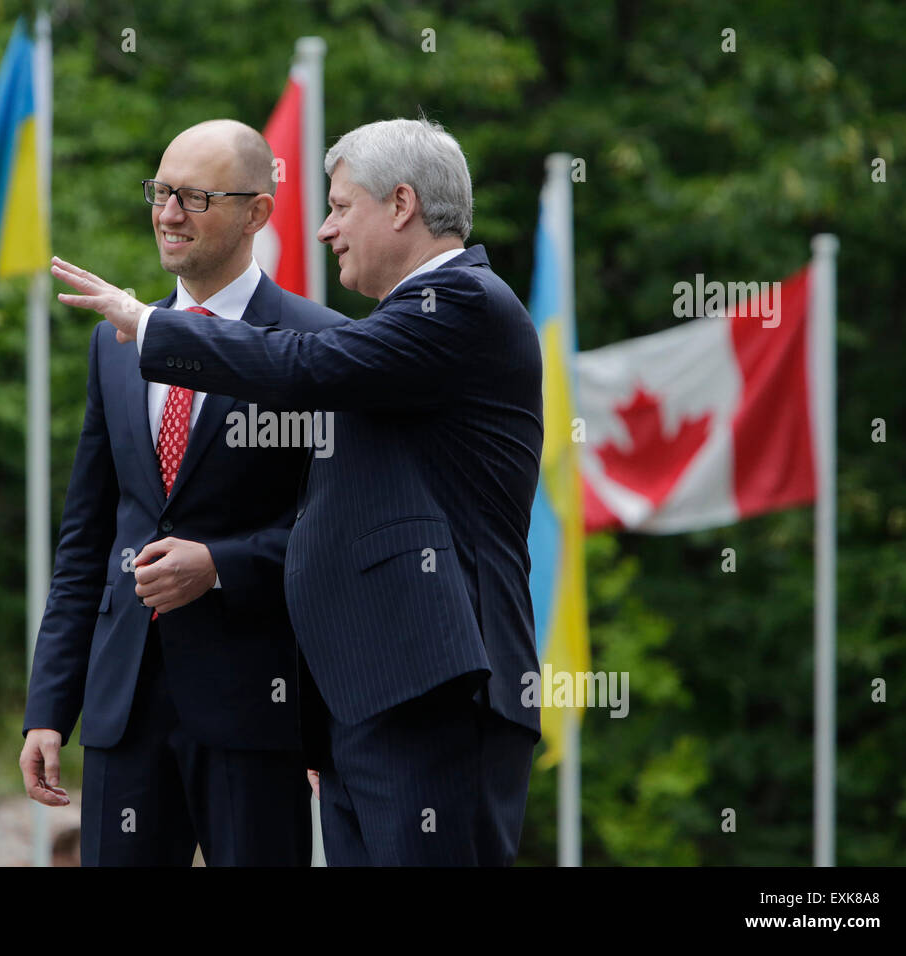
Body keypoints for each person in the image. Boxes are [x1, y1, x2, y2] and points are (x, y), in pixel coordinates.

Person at [51, 117, 544, 866]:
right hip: (371, 703)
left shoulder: (459, 304)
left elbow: (306, 364)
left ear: (402, 204)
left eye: (341, 207)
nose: (323, 229)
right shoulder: (408, 324)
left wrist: (149, 325)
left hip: (433, 694)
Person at [20, 119, 345, 866]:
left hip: (254, 709)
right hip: (123, 706)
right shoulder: (115, 340)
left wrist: (222, 562)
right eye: (160, 192)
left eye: (193, 197)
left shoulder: (315, 343)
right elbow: (87, 534)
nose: (168, 214)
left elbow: (332, 532)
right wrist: (49, 705)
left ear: (257, 212)